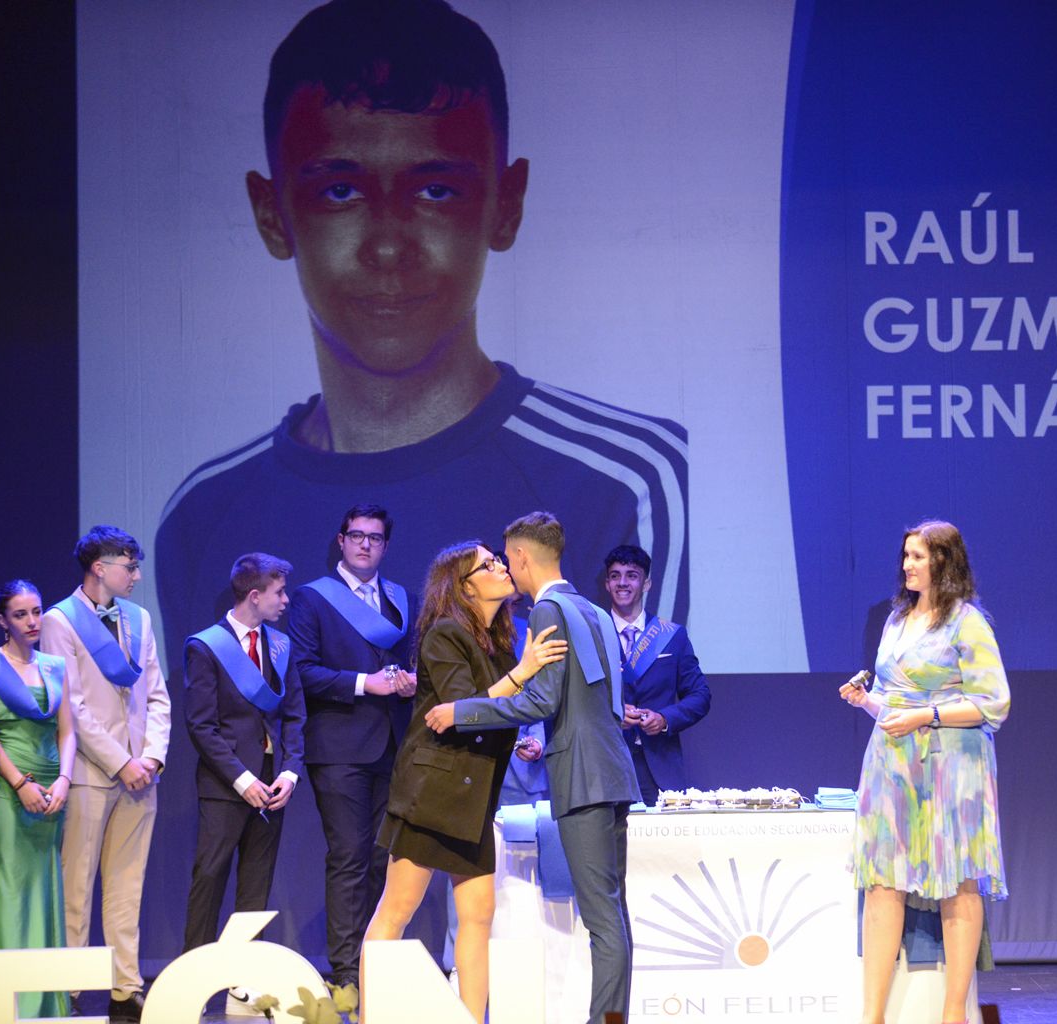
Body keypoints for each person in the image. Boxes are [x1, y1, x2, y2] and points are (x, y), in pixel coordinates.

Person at [154, 0, 690, 687]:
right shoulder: (202, 515)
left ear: (507, 203)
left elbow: (635, 719)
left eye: (436, 189)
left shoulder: (627, 478)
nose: (386, 244)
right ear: (271, 214)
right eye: (340, 190)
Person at [426, 512, 640, 1024]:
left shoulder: (549, 610)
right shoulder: (591, 607)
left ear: (521, 557)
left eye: (507, 559)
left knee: (603, 918)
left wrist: (463, 711)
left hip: (583, 776)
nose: (507, 569)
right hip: (612, 770)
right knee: (613, 915)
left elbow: (541, 702)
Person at [364, 540, 566, 1021]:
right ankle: (370, 1014)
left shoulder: (495, 639)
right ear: (465, 584)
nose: (501, 567)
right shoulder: (445, 634)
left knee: (478, 917)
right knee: (397, 910)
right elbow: (465, 711)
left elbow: (493, 706)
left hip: (474, 798)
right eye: (489, 564)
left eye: (500, 560)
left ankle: (472, 1017)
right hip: (434, 793)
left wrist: (520, 673)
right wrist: (524, 671)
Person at [838, 520, 1010, 1024]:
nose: (907, 564)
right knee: (882, 883)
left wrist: (926, 715)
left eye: (917, 556)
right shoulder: (897, 619)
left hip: (953, 767)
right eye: (906, 556)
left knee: (957, 881)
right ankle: (872, 1015)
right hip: (892, 763)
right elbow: (895, 703)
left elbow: (993, 703)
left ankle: (953, 1011)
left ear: (943, 561)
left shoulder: (967, 621)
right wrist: (868, 701)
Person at [287, 503, 433, 986]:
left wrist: (414, 681)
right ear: (341, 540)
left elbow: (416, 662)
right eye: (356, 535)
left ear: (385, 546)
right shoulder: (311, 600)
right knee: (349, 857)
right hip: (340, 749)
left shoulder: (402, 598)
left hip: (395, 746)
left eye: (374, 537)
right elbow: (302, 671)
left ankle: (378, 965)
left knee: (382, 859)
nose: (365, 543)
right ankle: (348, 974)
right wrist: (364, 683)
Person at [39, 526, 170, 1022]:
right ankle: (71, 990)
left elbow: (156, 692)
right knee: (77, 885)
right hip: (93, 773)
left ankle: (125, 986)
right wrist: (121, 761)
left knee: (126, 884)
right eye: (128, 566)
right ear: (99, 567)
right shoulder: (60, 620)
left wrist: (152, 756)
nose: (136, 575)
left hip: (142, 773)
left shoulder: (139, 616)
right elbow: (69, 704)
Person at [181, 553, 306, 981]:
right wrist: (242, 778)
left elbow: (293, 715)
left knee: (256, 887)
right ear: (254, 596)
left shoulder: (280, 644)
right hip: (227, 785)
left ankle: (243, 984)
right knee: (210, 881)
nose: (285, 600)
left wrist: (289, 771)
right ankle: (191, 984)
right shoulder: (205, 646)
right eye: (279, 592)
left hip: (273, 786)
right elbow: (201, 725)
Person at [0, 580, 75, 1019]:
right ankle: (8, 1004)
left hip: (53, 790)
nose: (33, 622)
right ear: (2, 621)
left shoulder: (55, 666)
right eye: (21, 614)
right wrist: (19, 784)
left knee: (46, 888)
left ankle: (45, 1003)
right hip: (10, 790)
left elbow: (67, 730)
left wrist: (65, 780)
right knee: (11, 888)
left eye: (37, 612)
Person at [603, 544, 711, 805]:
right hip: (605, 766)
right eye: (615, 576)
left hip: (659, 767)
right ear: (607, 584)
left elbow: (700, 695)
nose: (622, 583)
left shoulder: (671, 636)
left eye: (632, 575)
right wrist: (612, 713)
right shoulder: (593, 633)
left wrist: (664, 718)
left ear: (647, 584)